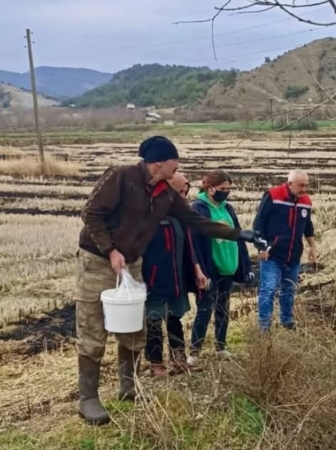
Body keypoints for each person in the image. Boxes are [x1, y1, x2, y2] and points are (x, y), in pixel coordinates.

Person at [76, 136, 262, 426]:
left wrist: (240, 234)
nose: (178, 166)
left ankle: (129, 387)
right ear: (160, 162)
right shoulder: (121, 177)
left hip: (132, 264)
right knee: (92, 328)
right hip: (98, 262)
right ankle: (88, 399)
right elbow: (91, 213)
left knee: (133, 329)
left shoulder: (166, 193)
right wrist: (110, 250)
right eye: (176, 161)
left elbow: (195, 221)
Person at [141, 172, 204, 377]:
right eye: (179, 192)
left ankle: (179, 361)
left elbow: (189, 247)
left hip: (178, 279)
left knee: (175, 318)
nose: (183, 198)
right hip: (154, 278)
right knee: (154, 320)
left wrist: (196, 268)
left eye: (186, 193)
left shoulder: (180, 217)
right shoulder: (149, 215)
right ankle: (156, 365)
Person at [189, 170, 255, 363]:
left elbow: (238, 237)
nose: (226, 192)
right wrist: (200, 270)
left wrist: (246, 266)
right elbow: (195, 243)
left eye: (228, 189)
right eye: (222, 189)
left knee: (223, 308)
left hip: (228, 266)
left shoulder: (229, 209)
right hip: (210, 268)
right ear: (210, 188)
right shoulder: (199, 208)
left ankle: (221, 347)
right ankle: (194, 352)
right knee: (204, 310)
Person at [253, 170, 319, 332]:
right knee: (268, 290)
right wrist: (261, 246)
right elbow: (259, 221)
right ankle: (264, 326)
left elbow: (307, 225)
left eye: (306, 186)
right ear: (290, 183)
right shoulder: (273, 196)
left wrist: (312, 246)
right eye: (300, 185)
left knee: (289, 289)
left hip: (293, 255)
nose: (304, 189)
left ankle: (287, 322)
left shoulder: (305, 201)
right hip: (272, 254)